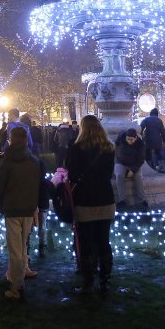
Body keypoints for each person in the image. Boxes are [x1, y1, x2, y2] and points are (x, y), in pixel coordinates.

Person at [65, 115, 116, 294]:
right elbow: (109, 173)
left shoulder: (77, 148)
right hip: (105, 199)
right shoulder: (109, 148)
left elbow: (71, 173)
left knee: (86, 242)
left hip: (84, 200)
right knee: (104, 241)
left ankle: (88, 280)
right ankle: (105, 279)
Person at [0, 128, 40, 300]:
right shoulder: (34, 161)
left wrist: (1, 206)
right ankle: (20, 274)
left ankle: (17, 287)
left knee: (15, 250)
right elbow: (38, 185)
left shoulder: (6, 162)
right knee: (22, 246)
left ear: (12, 140)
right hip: (28, 209)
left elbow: (0, 188)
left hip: (12, 209)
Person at [113, 128, 148, 210]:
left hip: (134, 164)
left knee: (138, 177)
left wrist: (133, 170)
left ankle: (143, 200)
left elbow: (141, 160)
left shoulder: (140, 144)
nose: (129, 141)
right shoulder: (121, 136)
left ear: (136, 138)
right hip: (120, 162)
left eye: (131, 140)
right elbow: (115, 145)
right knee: (119, 176)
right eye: (128, 139)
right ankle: (122, 200)